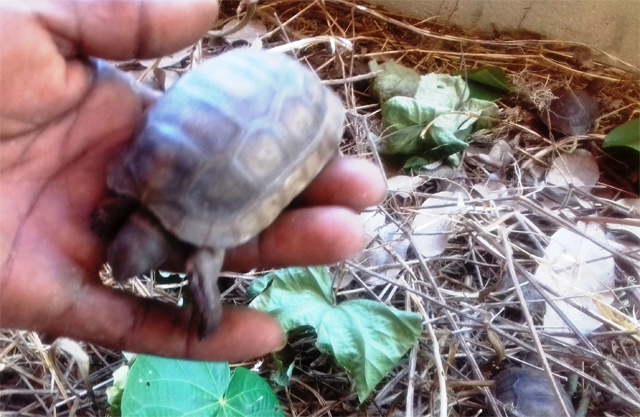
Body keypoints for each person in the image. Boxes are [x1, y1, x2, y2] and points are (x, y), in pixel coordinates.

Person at [0, 0, 385, 362]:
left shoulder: (190, 242)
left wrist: (206, 303)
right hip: (237, 77)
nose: (123, 277)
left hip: (292, 102)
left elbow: (203, 261)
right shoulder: (130, 187)